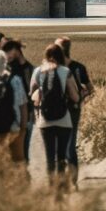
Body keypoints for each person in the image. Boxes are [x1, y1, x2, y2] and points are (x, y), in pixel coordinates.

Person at [29, 44, 80, 185]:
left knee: (50, 158)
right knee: (61, 157)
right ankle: (62, 188)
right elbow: (75, 97)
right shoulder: (65, 71)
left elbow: (31, 94)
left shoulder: (38, 71)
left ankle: (52, 189)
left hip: (44, 120)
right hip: (64, 120)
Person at [55, 36, 93, 187]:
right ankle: (73, 182)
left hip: (58, 111)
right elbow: (91, 89)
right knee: (71, 145)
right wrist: (81, 97)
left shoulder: (53, 68)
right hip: (74, 110)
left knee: (61, 146)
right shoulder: (79, 67)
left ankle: (63, 181)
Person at [2, 39, 35, 164]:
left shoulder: (28, 69)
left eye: (7, 52)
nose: (6, 56)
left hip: (25, 117)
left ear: (16, 51)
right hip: (11, 117)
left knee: (23, 153)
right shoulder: (8, 68)